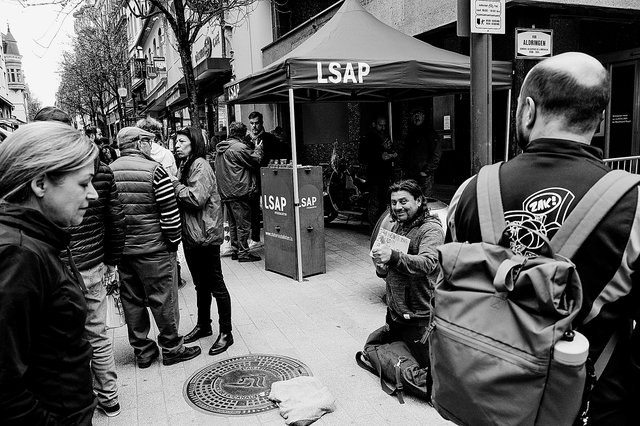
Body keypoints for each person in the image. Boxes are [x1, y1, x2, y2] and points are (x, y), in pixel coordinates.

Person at [446, 52, 638, 425]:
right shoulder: (635, 203)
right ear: (598, 120)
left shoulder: (470, 192)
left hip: (481, 401)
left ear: (528, 110)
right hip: (583, 408)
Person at [0, 122, 99, 425]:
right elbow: (6, 387)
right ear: (40, 184)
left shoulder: (30, 243)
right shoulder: (19, 255)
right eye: (84, 184)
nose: (93, 195)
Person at [37, 108, 126, 418]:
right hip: (81, 264)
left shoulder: (87, 168)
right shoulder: (96, 166)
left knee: (72, 338)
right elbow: (116, 219)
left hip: (74, 263)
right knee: (94, 332)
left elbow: (115, 217)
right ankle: (108, 397)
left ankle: (96, 398)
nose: (90, 195)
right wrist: (112, 260)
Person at [110, 126, 201, 368]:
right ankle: (171, 349)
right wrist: (173, 243)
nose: (152, 146)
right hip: (155, 250)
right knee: (163, 300)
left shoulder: (109, 171)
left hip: (124, 252)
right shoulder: (155, 171)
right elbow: (169, 214)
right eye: (149, 141)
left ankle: (143, 352)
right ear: (139, 143)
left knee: (132, 301)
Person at [171, 126, 234, 355]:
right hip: (192, 236)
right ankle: (204, 325)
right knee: (200, 285)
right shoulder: (186, 164)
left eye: (181, 141)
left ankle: (226, 333)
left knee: (217, 285)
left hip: (205, 236)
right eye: (176, 142)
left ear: (194, 143)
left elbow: (196, 198)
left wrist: (175, 184)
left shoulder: (200, 165)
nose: (176, 145)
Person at [370, 179, 443, 367]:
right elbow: (392, 265)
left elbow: (428, 263)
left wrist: (393, 256)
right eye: (394, 203)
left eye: (403, 201)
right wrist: (382, 269)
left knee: (424, 366)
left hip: (418, 317)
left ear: (418, 201)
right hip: (395, 312)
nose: (397, 207)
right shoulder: (397, 226)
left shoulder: (431, 230)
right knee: (392, 357)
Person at [215, 121, 264, 262]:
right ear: (242, 134)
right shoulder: (239, 147)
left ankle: (236, 250)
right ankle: (243, 253)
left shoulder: (222, 148)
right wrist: (258, 149)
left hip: (226, 192)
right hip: (239, 191)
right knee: (243, 224)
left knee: (233, 224)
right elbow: (256, 160)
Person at [247, 111, 287, 248]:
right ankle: (255, 238)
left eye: (257, 123)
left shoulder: (270, 139)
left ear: (262, 122)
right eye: (252, 123)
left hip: (269, 178)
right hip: (253, 180)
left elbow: (279, 155)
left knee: (271, 208)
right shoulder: (247, 140)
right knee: (254, 210)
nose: (254, 126)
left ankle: (275, 234)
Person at [360, 115, 398, 225]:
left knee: (384, 201)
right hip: (375, 176)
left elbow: (391, 151)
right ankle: (374, 226)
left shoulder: (385, 136)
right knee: (375, 202)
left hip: (386, 175)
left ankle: (382, 224)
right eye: (380, 125)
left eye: (384, 125)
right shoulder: (368, 138)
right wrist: (380, 155)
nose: (382, 127)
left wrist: (392, 153)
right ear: (374, 124)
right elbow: (363, 157)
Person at [402, 106, 441, 198]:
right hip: (411, 175)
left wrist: (427, 171)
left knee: (425, 201)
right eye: (414, 115)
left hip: (423, 176)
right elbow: (406, 153)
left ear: (423, 116)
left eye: (419, 115)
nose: (417, 117)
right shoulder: (410, 134)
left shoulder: (430, 132)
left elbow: (437, 153)